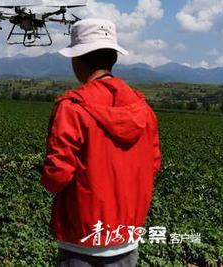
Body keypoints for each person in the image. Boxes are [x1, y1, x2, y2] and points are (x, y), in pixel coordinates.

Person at [41, 18, 161, 267]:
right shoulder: (143, 109)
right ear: (112, 57)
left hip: (82, 236)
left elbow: (57, 176)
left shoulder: (72, 107)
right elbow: (153, 164)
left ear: (77, 59)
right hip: (126, 235)